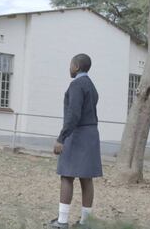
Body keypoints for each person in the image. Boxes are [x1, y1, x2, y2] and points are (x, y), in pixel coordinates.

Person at [49, 54, 102, 229]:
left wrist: (61, 138)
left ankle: (62, 221)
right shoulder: (91, 86)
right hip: (91, 133)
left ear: (77, 66)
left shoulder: (76, 85)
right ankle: (86, 223)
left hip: (77, 133)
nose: (69, 68)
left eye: (70, 65)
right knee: (86, 178)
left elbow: (73, 114)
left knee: (66, 175)